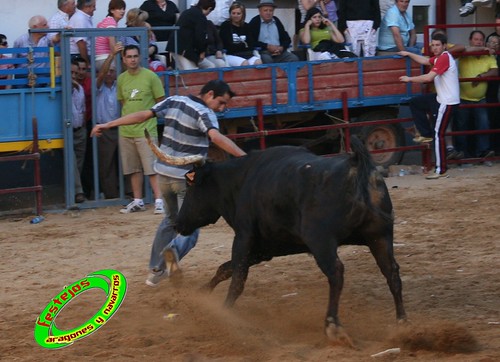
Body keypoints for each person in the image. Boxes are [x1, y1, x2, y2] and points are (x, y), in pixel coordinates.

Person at [90, 80, 247, 287]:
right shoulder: (205, 114)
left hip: (163, 175)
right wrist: (246, 158)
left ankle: (156, 269)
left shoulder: (174, 100)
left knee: (170, 221)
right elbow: (216, 137)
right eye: (221, 102)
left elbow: (142, 115)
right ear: (209, 94)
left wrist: (109, 124)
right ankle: (170, 255)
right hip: (186, 179)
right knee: (190, 228)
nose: (222, 108)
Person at [399, 32, 460, 179]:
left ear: (444, 46)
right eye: (433, 45)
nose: (435, 48)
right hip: (441, 99)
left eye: (438, 45)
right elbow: (425, 61)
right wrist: (408, 53)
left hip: (447, 102)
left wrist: (409, 79)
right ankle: (425, 134)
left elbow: (428, 77)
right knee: (416, 102)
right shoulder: (440, 57)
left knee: (439, 134)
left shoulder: (444, 57)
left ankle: (441, 169)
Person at [116, 44, 165, 214]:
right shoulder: (121, 79)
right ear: (123, 59)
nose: (132, 59)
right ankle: (138, 201)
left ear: (140, 57)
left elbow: (160, 101)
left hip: (146, 129)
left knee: (152, 167)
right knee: (133, 168)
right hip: (127, 131)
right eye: (129, 57)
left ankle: (159, 200)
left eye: (135, 56)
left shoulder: (151, 77)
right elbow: (123, 102)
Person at [454, 30, 497, 160]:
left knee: (483, 126)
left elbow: (495, 71)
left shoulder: (488, 55)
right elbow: (456, 51)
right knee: (462, 128)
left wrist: (481, 76)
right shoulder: (464, 54)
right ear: (470, 41)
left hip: (480, 99)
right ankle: (462, 154)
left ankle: (482, 153)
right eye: (476, 39)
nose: (478, 42)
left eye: (481, 40)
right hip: (463, 98)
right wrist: (480, 48)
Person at [95, 43, 123, 199]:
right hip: (105, 131)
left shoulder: (120, 85)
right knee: (106, 165)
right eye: (107, 71)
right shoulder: (99, 86)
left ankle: (128, 193)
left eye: (112, 71)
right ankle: (111, 195)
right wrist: (112, 55)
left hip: (120, 128)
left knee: (124, 162)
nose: (109, 74)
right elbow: (101, 75)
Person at [167, 0, 215, 70]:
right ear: (209, 8)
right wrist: (202, 51)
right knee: (192, 72)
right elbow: (200, 37)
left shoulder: (188, 12)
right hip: (184, 49)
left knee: (208, 66)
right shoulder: (200, 16)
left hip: (176, 46)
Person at [12, 16, 58, 88]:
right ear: (35, 27)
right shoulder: (20, 41)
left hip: (43, 75)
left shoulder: (47, 38)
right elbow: (14, 62)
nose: (48, 26)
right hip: (23, 75)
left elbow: (56, 38)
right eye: (44, 25)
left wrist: (66, 30)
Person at [219, 1, 263, 66]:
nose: (235, 15)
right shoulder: (225, 26)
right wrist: (244, 45)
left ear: (243, 14)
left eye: (238, 13)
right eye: (233, 13)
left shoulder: (247, 26)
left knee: (258, 62)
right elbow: (228, 46)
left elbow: (251, 44)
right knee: (245, 63)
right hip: (231, 55)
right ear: (230, 14)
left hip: (246, 54)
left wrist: (241, 46)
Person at [70, 59, 87, 203]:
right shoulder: (62, 87)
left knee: (79, 164)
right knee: (73, 163)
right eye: (71, 72)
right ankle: (77, 192)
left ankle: (74, 191)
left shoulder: (80, 88)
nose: (74, 75)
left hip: (80, 130)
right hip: (68, 132)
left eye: (76, 73)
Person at [95, 0, 126, 70]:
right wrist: (119, 63)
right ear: (112, 10)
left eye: (123, 9)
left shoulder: (106, 20)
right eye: (119, 9)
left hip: (99, 58)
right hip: (105, 58)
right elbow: (113, 46)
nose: (122, 11)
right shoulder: (111, 23)